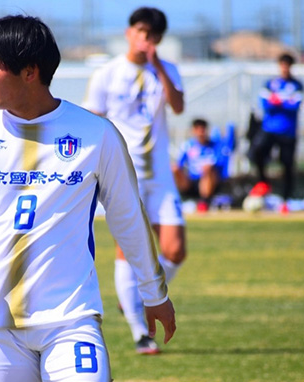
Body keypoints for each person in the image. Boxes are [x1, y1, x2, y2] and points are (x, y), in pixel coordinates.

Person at [0, 15, 176, 382]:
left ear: (30, 71)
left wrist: (154, 293)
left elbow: (128, 217)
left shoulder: (96, 134)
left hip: (71, 318)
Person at [82, 7, 185, 354]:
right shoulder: (107, 73)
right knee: (128, 248)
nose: (147, 40)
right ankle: (140, 331)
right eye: (142, 32)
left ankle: (140, 297)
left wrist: (158, 67)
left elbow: (179, 106)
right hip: (125, 175)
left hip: (160, 174)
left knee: (175, 249)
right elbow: (92, 121)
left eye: (154, 36)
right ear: (129, 32)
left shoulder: (166, 69)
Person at [248, 53, 304, 213]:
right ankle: (263, 182)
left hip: (288, 132)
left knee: (287, 165)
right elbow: (265, 104)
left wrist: (278, 101)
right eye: (282, 64)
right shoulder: (270, 84)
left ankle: (286, 201)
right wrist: (284, 102)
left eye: (288, 65)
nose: (285, 68)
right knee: (256, 152)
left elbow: (295, 106)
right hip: (269, 129)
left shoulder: (297, 85)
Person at [173, 118, 224, 212]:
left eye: (203, 129)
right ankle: (178, 198)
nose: (200, 132)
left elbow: (220, 164)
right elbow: (179, 164)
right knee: (174, 169)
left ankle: (204, 201)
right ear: (193, 130)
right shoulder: (188, 145)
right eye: (197, 129)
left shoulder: (215, 146)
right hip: (191, 181)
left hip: (208, 181)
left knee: (207, 169)